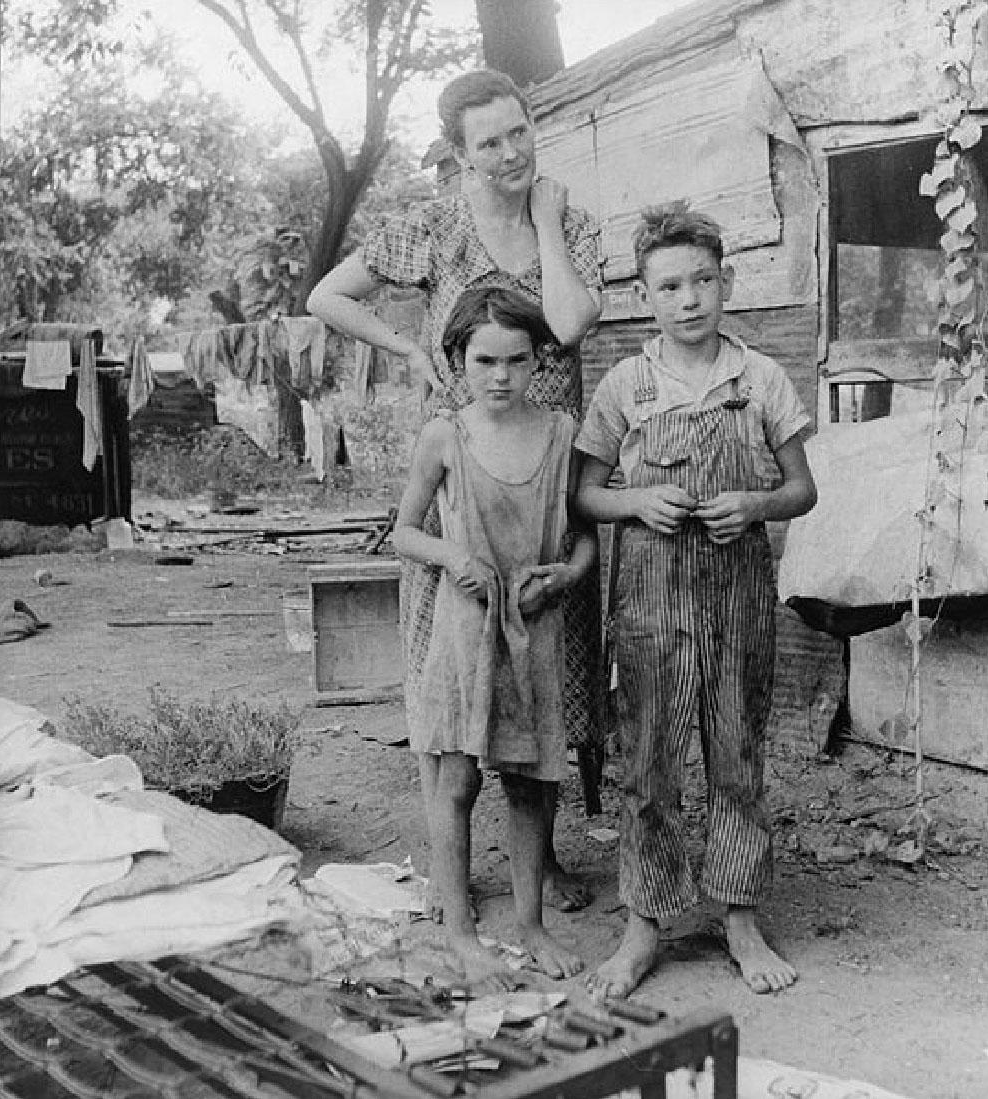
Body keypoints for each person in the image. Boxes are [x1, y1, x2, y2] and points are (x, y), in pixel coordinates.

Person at [307, 68, 603, 916]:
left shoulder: (570, 223)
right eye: (489, 143)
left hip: (548, 475)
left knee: (549, 661)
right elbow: (326, 294)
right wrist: (404, 347)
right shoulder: (434, 228)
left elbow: (573, 324)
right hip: (463, 474)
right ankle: (453, 868)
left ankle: (537, 866)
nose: (511, 153)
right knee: (455, 662)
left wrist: (540, 220)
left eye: (519, 131)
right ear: (458, 154)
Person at [574, 202, 817, 998]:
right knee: (647, 764)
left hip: (738, 597)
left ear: (726, 282)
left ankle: (739, 915)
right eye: (670, 285)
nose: (690, 299)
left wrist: (753, 504)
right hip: (648, 602)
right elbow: (585, 494)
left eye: (703, 280)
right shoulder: (625, 385)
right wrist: (636, 503)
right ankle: (643, 926)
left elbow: (801, 489)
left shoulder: (762, 378)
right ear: (646, 295)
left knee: (737, 755)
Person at [392, 284, 595, 983]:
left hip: (534, 629)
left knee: (532, 785)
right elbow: (405, 531)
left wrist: (565, 575)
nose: (501, 375)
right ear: (457, 360)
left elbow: (587, 538)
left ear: (539, 358)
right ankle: (459, 929)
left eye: (516, 359)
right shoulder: (446, 436)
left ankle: (531, 924)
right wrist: (454, 556)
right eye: (484, 361)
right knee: (457, 777)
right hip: (465, 630)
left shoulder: (563, 432)